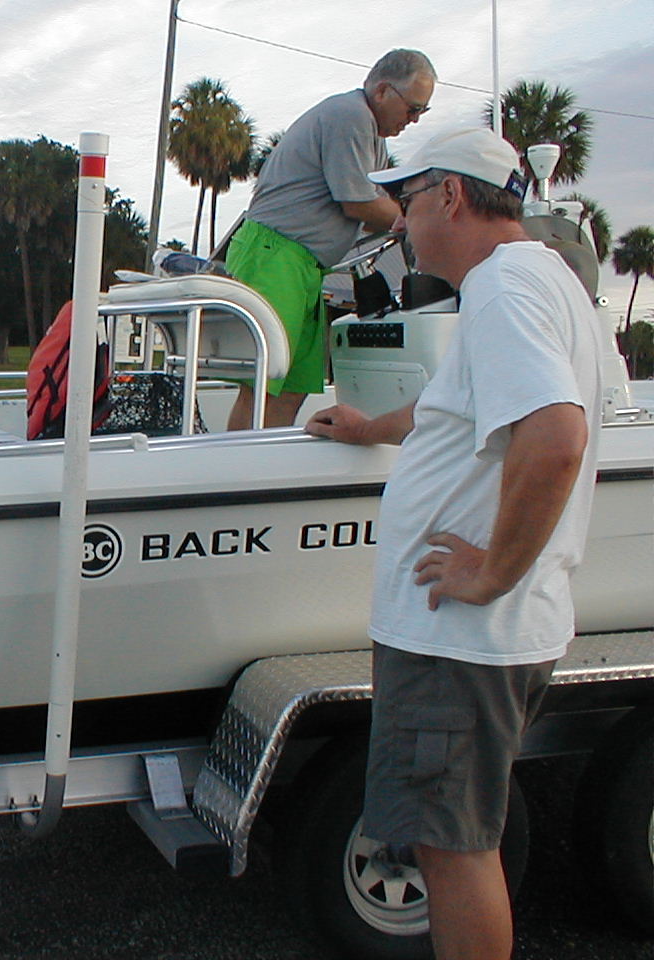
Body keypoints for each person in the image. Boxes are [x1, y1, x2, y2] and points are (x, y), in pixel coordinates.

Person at [306, 127, 604, 960]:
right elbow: (457, 405)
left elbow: (555, 436)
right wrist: (372, 427)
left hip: (461, 640)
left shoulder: (505, 286)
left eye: (406, 201)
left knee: (454, 848)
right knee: (453, 838)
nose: (400, 224)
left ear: (451, 195)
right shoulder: (534, 281)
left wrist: (490, 572)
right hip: (466, 644)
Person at [226, 48, 436, 430]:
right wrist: (418, 221)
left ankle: (269, 475)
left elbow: (376, 206)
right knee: (262, 387)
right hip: (275, 256)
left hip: (306, 267)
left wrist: (407, 215)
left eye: (422, 112)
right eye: (412, 109)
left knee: (293, 387)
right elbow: (358, 203)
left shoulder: (374, 138)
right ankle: (234, 480)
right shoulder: (350, 115)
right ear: (384, 91)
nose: (414, 120)